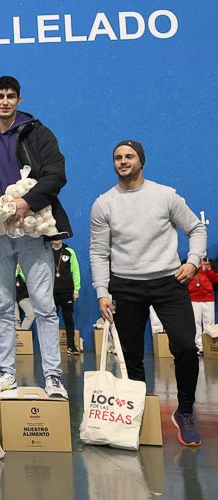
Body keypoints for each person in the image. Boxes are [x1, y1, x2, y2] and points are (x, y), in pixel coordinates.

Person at [91, 140, 205, 446]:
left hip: (169, 283)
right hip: (125, 287)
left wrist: (193, 261)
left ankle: (184, 411)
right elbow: (99, 252)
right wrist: (102, 291)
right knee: (131, 356)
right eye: (118, 157)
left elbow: (197, 229)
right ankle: (138, 411)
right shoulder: (104, 203)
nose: (123, 161)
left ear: (141, 161)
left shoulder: (165, 195)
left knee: (185, 347)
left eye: (129, 156)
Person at [0, 76, 71, 399]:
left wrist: (28, 202)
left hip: (32, 230)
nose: (5, 102)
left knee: (44, 305)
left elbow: (56, 174)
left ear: (19, 99)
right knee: (1, 305)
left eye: (10, 96)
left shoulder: (38, 133)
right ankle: (6, 372)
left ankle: (53, 375)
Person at [51, 240, 82, 355]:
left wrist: (76, 290)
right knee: (51, 320)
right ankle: (52, 348)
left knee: (68, 318)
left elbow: (76, 271)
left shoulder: (69, 252)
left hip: (67, 291)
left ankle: (71, 346)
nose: (56, 239)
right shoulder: (47, 251)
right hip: (51, 292)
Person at [187, 257, 218, 354]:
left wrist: (209, 269)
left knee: (209, 323)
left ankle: (209, 347)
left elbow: (215, 279)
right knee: (195, 323)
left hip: (208, 298)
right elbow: (185, 279)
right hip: (193, 298)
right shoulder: (188, 263)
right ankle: (199, 347)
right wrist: (194, 269)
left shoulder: (209, 262)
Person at [14, 266, 33, 330]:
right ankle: (17, 330)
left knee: (31, 313)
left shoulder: (25, 264)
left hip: (24, 294)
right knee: (15, 319)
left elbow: (28, 280)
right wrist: (16, 271)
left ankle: (22, 332)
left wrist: (20, 271)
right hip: (11, 295)